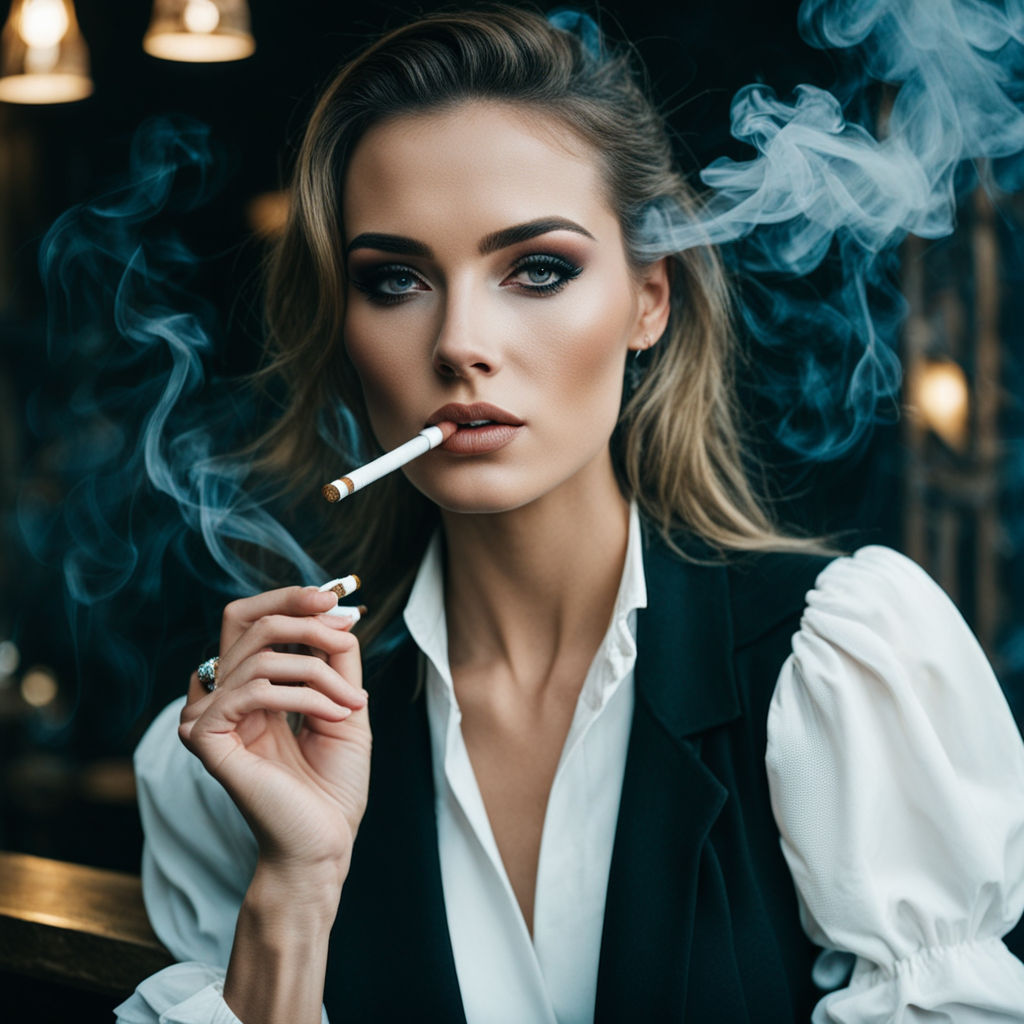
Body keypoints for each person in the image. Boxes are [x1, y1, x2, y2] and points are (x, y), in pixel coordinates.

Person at [115, 6, 1024, 1023]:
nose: (460, 341)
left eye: (536, 268)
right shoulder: (246, 753)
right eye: (396, 279)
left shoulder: (842, 671)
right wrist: (293, 884)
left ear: (648, 301)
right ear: (343, 324)